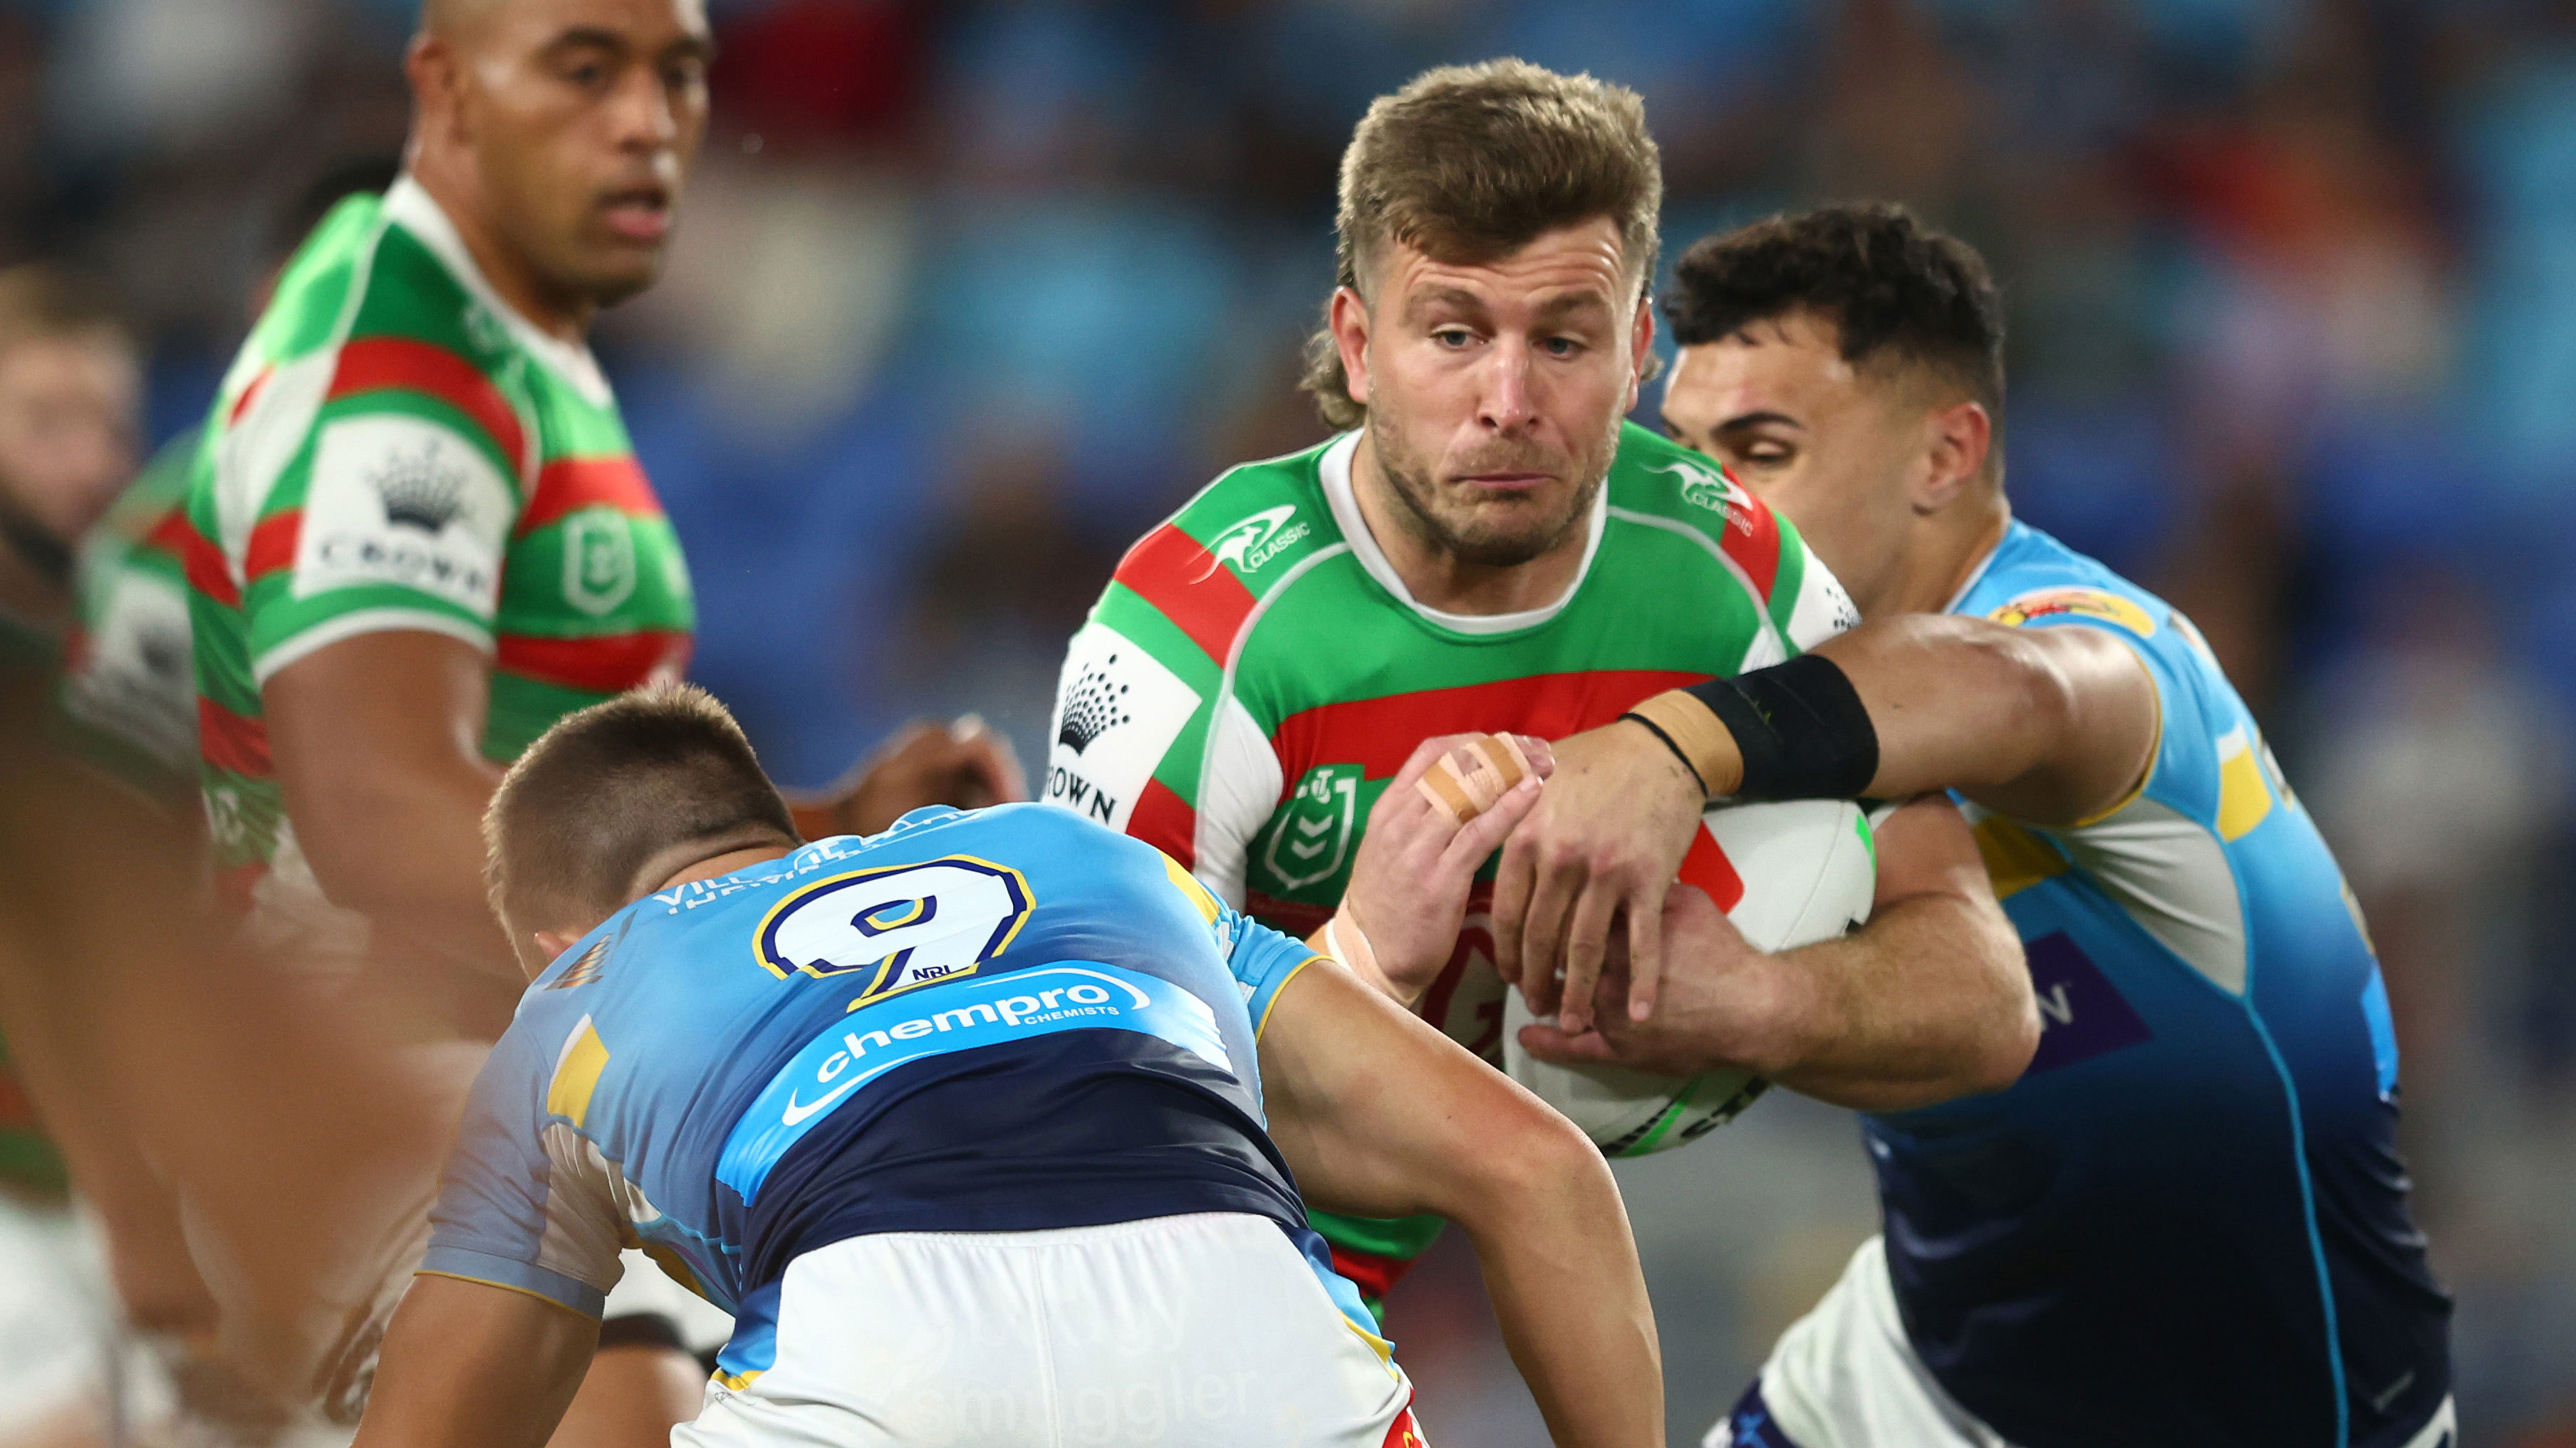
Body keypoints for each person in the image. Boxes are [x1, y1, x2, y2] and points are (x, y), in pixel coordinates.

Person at [1044, 58, 2032, 1311]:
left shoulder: (1742, 580)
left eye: (1563, 340)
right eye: (1454, 334)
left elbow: (1988, 1002)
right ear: (1359, 345)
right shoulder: (1189, 638)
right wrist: (1355, 965)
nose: (1509, 403)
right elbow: (1085, 1113)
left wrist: (1763, 999)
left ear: (1639, 350)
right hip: (1253, 1241)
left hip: (1612, 1212)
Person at [172, 0, 1012, 1432]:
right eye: (582, 71)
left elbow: (560, 807)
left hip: (529, 1078)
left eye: (677, 74)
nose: (646, 124)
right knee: (646, 1401)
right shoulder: (400, 376)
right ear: (446, 88)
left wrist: (830, 827)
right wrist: (770, 915)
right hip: (384, 1090)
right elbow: (376, 812)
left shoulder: (512, 345)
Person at [1505, 204, 2453, 1448]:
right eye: (1685, 455)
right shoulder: (1747, 658)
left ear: (1945, 454)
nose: (1711, 503)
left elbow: (2016, 689)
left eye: (1762, 449)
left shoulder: (2111, 656)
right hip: (1922, 1370)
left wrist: (1668, 747)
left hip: (2272, 1411)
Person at [350, 684, 1659, 1448]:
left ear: (556, 940)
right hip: (1248, 1336)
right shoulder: (1087, 857)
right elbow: (1536, 1168)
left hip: (875, 1372)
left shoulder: (580, 994)